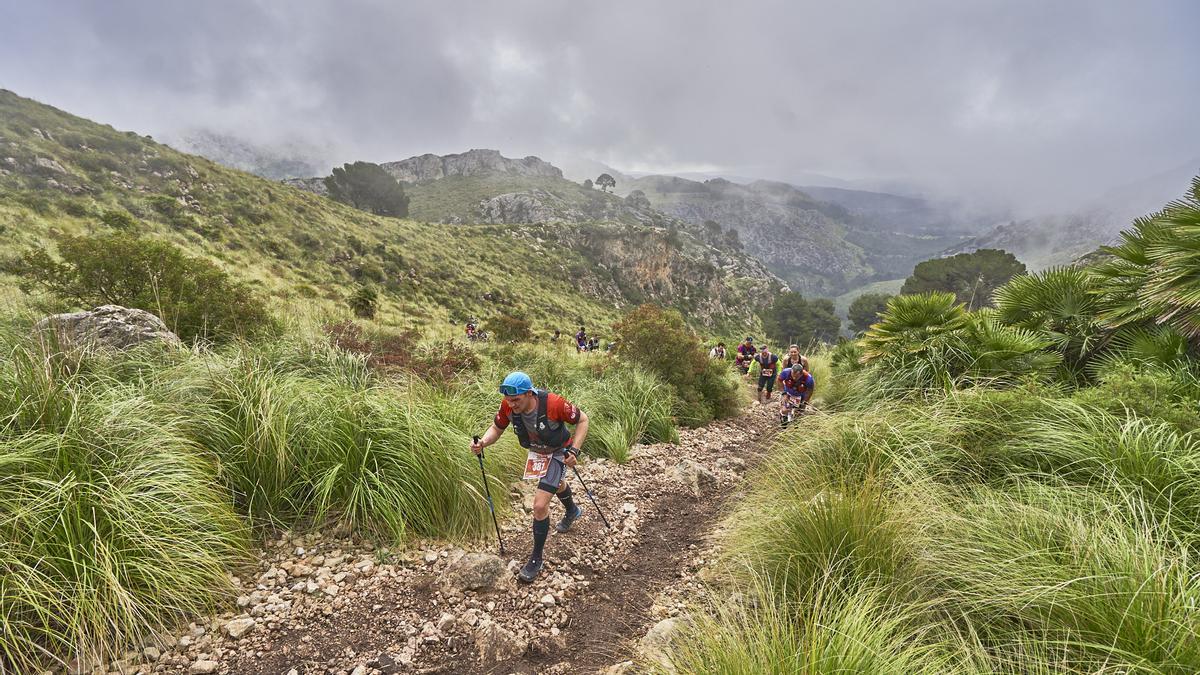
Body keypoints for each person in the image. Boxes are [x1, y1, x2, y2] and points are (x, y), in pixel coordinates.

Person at [471, 372, 590, 583]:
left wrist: (575, 451)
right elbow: (496, 429)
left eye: (516, 399)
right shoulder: (508, 405)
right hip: (537, 454)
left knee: (539, 505)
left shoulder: (553, 403)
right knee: (556, 484)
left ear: (529, 393)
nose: (511, 404)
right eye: (508, 400)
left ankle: (536, 558)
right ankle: (572, 510)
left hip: (557, 452)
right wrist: (482, 443)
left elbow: (582, 419)